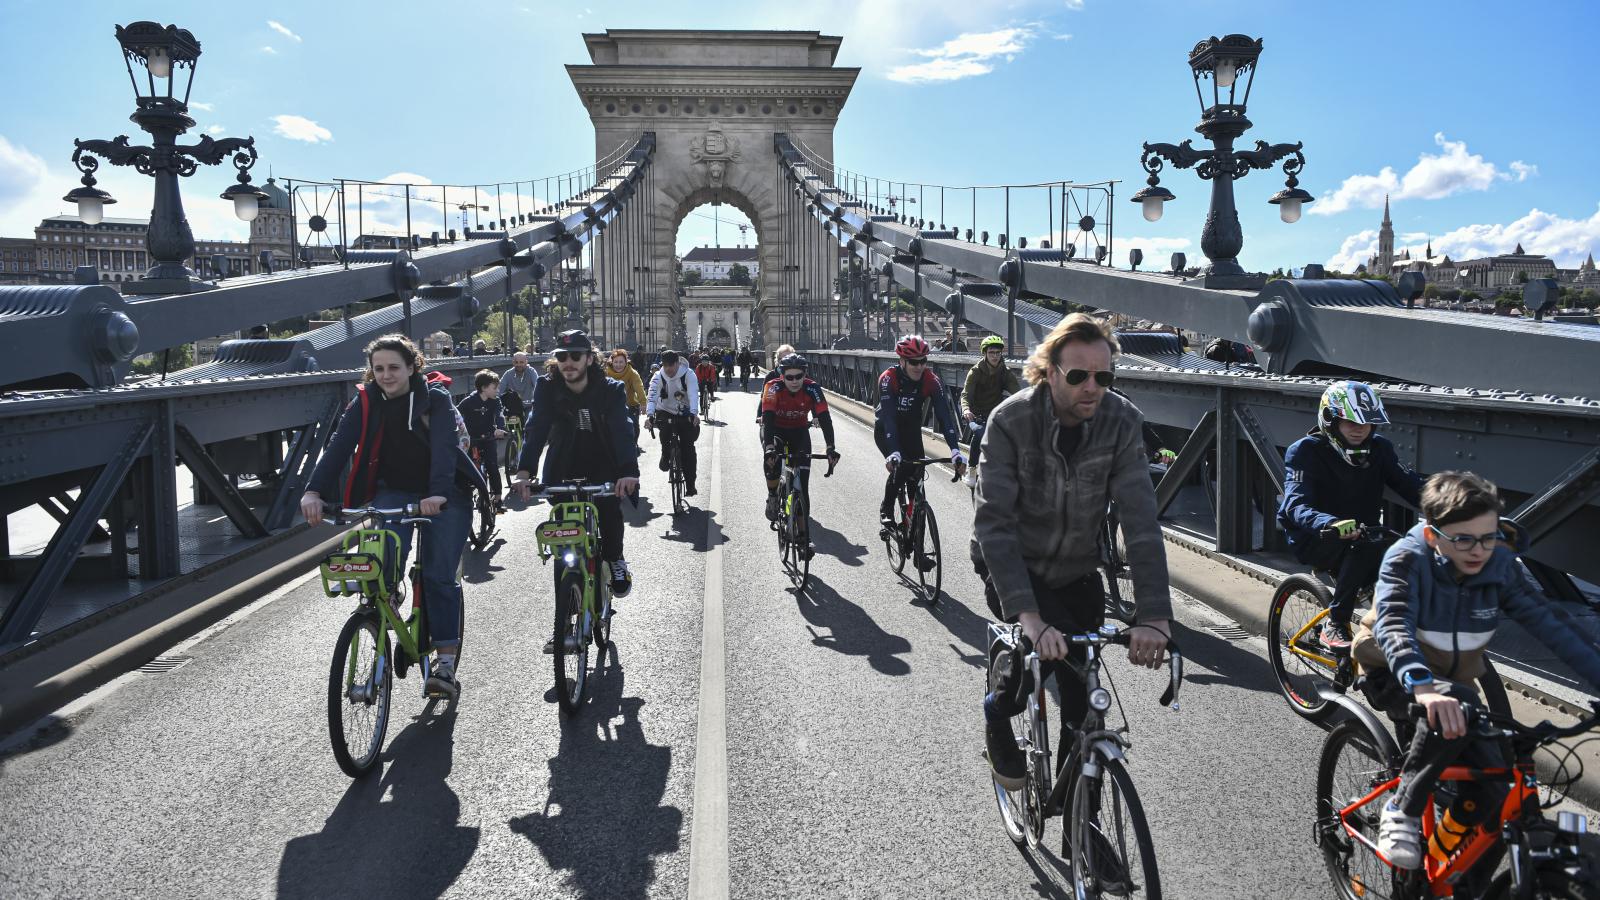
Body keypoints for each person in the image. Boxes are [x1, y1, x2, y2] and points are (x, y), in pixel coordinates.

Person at [1359, 471, 1600, 869]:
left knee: (1493, 792)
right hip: (1394, 669)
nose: (1479, 550)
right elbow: (1394, 624)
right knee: (1458, 701)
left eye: (1488, 537)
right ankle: (1401, 809)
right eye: (1464, 539)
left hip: (1453, 681)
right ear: (1434, 536)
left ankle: (1452, 877)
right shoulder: (1406, 558)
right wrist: (1423, 686)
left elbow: (1552, 626)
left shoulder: (1497, 565)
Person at [973, 313, 1172, 790]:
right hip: (1014, 565)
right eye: (1078, 375)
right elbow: (994, 524)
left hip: (1079, 568)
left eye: (1104, 377)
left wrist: (1155, 617)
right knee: (1030, 669)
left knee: (1085, 705)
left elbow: (1141, 523)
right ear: (1048, 371)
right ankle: (997, 713)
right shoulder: (1010, 421)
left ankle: (1086, 830)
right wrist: (1031, 618)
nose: (1093, 387)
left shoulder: (1121, 422)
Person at [300, 334, 486, 700]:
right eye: (378, 368)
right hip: (396, 490)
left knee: (437, 575)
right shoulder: (366, 401)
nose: (385, 375)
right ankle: (387, 608)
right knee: (383, 564)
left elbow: (446, 450)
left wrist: (436, 493)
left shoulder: (435, 399)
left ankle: (445, 664)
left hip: (445, 492)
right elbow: (340, 445)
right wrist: (313, 491)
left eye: (393, 368)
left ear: (413, 366)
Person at [1277, 380, 1423, 650]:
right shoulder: (1305, 451)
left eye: (1366, 423)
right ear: (1331, 421)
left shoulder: (1380, 449)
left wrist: (1451, 505)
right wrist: (1329, 523)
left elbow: (1410, 485)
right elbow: (1295, 504)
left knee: (1413, 555)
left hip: (1365, 531)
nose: (1360, 430)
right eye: (1351, 422)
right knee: (1365, 547)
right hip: (1317, 537)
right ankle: (1336, 622)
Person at [512, 330, 640, 605]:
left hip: (602, 461)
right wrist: (524, 472)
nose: (568, 362)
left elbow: (622, 430)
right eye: (561, 357)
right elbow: (536, 429)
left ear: (590, 359)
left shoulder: (610, 389)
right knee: (562, 523)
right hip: (563, 463)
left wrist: (628, 471)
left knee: (608, 511)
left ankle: (615, 559)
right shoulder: (547, 388)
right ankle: (566, 606)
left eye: (575, 356)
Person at [874, 335, 965, 536]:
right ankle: (886, 509)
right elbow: (889, 419)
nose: (919, 366)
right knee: (901, 470)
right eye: (914, 362)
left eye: (923, 361)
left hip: (912, 431)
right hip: (887, 430)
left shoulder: (931, 380)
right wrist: (895, 452)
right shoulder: (888, 378)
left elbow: (945, 417)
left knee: (918, 485)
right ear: (902, 361)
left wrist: (955, 450)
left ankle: (917, 542)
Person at [760, 353, 840, 557]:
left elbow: (825, 418)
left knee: (802, 488)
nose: (794, 381)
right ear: (782, 375)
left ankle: (804, 538)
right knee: (772, 462)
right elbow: (768, 418)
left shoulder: (813, 388)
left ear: (805, 374)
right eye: (790, 377)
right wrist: (769, 447)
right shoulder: (773, 388)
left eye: (799, 376)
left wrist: (830, 447)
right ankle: (772, 496)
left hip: (799, 432)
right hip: (776, 430)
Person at [960, 335, 1021, 488]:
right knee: (980, 434)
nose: (995, 356)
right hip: (975, 414)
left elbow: (1017, 392)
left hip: (994, 413)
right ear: (985, 353)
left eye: (998, 353)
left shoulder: (1005, 372)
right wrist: (966, 409)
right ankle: (972, 469)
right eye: (991, 352)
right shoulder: (975, 372)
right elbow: (965, 394)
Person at [645, 350, 701, 496]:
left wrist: (694, 413)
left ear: (677, 363)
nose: (668, 369)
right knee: (664, 434)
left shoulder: (689, 375)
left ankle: (690, 484)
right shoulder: (658, 376)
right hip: (665, 410)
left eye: (671, 365)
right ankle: (665, 454)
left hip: (685, 412)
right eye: (665, 365)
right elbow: (652, 396)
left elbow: (694, 394)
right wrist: (650, 415)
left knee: (688, 448)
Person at [456, 369, 508, 513]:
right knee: (474, 469)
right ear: (484, 388)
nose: (497, 390)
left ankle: (498, 499)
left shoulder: (495, 401)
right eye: (494, 387)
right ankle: (477, 494)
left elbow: (499, 415)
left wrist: (500, 428)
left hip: (489, 437)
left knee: (492, 466)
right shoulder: (468, 402)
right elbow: (457, 417)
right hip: (472, 439)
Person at [606, 347, 647, 451]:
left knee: (634, 426)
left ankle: (634, 443)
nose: (618, 365)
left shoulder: (632, 373)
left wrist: (643, 403)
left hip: (630, 404)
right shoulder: (606, 373)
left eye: (621, 362)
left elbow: (639, 387)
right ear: (612, 362)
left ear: (626, 362)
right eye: (616, 362)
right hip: (611, 407)